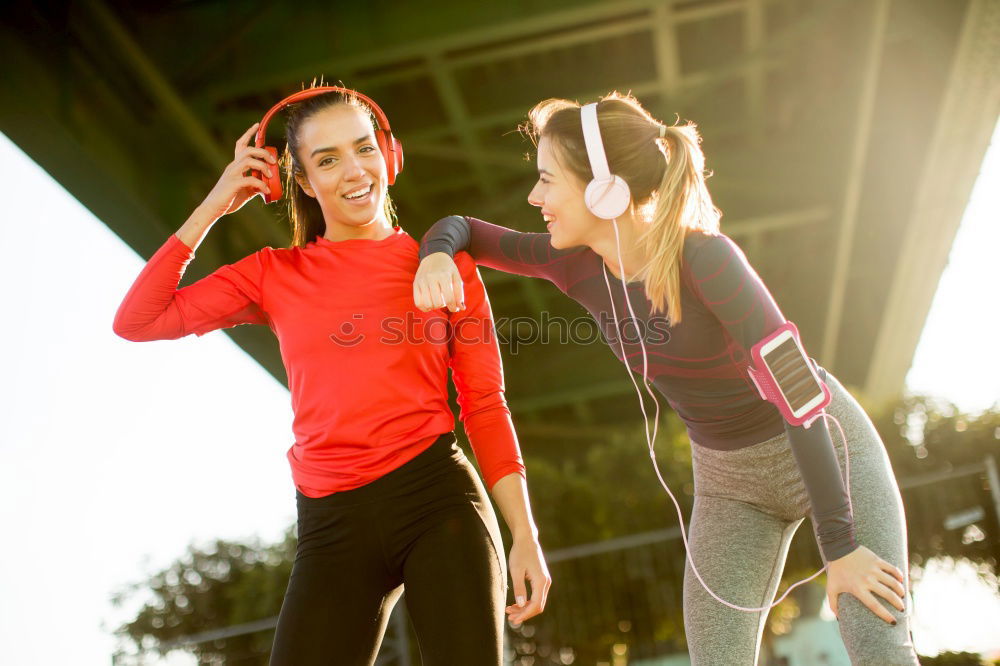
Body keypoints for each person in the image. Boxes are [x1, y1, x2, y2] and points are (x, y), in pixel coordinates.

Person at [412, 91, 919, 665]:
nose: (534, 197)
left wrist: (840, 546)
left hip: (830, 452)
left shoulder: (706, 259)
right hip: (730, 486)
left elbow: (799, 394)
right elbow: (463, 229)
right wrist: (435, 254)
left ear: (605, 188)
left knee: (880, 647)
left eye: (548, 180)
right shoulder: (570, 263)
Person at [112, 85, 551, 666]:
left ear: (389, 155)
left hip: (437, 502)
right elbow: (138, 320)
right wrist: (217, 201)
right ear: (300, 181)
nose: (353, 171)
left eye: (363, 148)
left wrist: (525, 533)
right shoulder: (271, 274)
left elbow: (485, 405)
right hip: (331, 524)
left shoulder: (449, 269)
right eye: (327, 159)